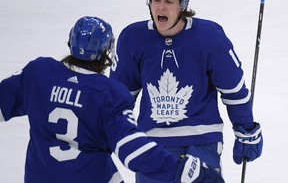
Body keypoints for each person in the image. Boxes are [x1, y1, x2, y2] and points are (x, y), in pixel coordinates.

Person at [0, 16, 225, 183]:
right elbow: (134, 150)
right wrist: (183, 170)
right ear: (106, 52)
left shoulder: (39, 73)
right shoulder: (109, 94)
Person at [110, 0, 263, 183]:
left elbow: (233, 89)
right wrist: (104, 133)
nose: (160, 7)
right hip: (152, 146)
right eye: (156, 0)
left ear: (183, 5)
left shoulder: (210, 37)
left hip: (201, 140)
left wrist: (245, 128)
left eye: (169, 1)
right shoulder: (133, 38)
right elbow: (119, 98)